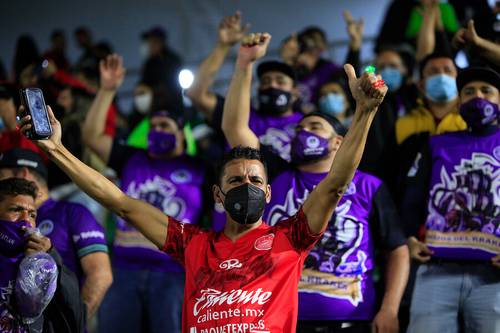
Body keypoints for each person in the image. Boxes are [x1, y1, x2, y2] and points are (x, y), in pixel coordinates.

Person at [18, 29, 388, 332]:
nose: (248, 186)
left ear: (270, 191)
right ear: (218, 194)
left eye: (256, 180)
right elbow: (121, 202)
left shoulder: (291, 239)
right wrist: (55, 149)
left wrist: (365, 114)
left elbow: (337, 182)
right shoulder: (193, 244)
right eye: (237, 180)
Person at [222, 31, 409, 333]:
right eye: (299, 128)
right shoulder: (276, 174)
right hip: (281, 320)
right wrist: (244, 65)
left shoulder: (369, 186)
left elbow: (397, 250)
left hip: (353, 321)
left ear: (338, 142)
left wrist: (389, 308)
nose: (302, 132)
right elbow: (234, 127)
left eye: (314, 127)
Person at [82, 54, 208, 333]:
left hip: (173, 274)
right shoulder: (132, 158)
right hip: (124, 270)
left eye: (164, 127)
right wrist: (106, 91)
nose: (156, 131)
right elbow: (91, 136)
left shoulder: (199, 168)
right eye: (153, 127)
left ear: (181, 134)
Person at [402, 66, 500, 333]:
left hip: (494, 277)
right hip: (436, 269)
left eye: (486, 90)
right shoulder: (437, 143)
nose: (477, 96)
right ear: (459, 102)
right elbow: (413, 197)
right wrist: (409, 238)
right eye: (469, 92)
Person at [0, 148, 112, 319]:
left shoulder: (73, 213)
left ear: (22, 174)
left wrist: (74, 324)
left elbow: (100, 274)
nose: (27, 219)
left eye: (1, 176)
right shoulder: (6, 218)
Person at [186, 12, 303, 162]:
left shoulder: (307, 124)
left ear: (295, 93)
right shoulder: (238, 116)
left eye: (280, 81)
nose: (272, 85)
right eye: (266, 81)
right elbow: (196, 94)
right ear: (258, 88)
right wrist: (223, 46)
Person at [0, 177, 86, 333]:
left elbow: (76, 320)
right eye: (16, 210)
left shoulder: (43, 264)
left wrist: (52, 258)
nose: (25, 220)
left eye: (32, 215)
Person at [394, 51, 466, 203]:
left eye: (448, 70)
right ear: (421, 84)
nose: (441, 76)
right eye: (433, 72)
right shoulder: (403, 124)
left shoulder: (471, 120)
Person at [294, 11, 363, 112]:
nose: (315, 46)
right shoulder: (293, 70)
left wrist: (355, 44)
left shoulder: (327, 68)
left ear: (323, 46)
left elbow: (350, 75)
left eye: (319, 42)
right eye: (310, 41)